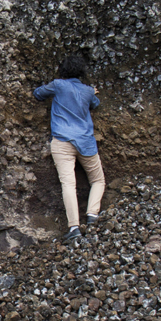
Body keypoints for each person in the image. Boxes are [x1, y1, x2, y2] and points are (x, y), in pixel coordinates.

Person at [32, 53, 107, 243]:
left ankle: (74, 228)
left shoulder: (58, 85)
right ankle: (92, 216)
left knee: (68, 184)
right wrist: (92, 92)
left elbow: (38, 94)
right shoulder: (88, 91)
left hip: (62, 142)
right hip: (85, 142)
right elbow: (95, 104)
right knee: (98, 181)